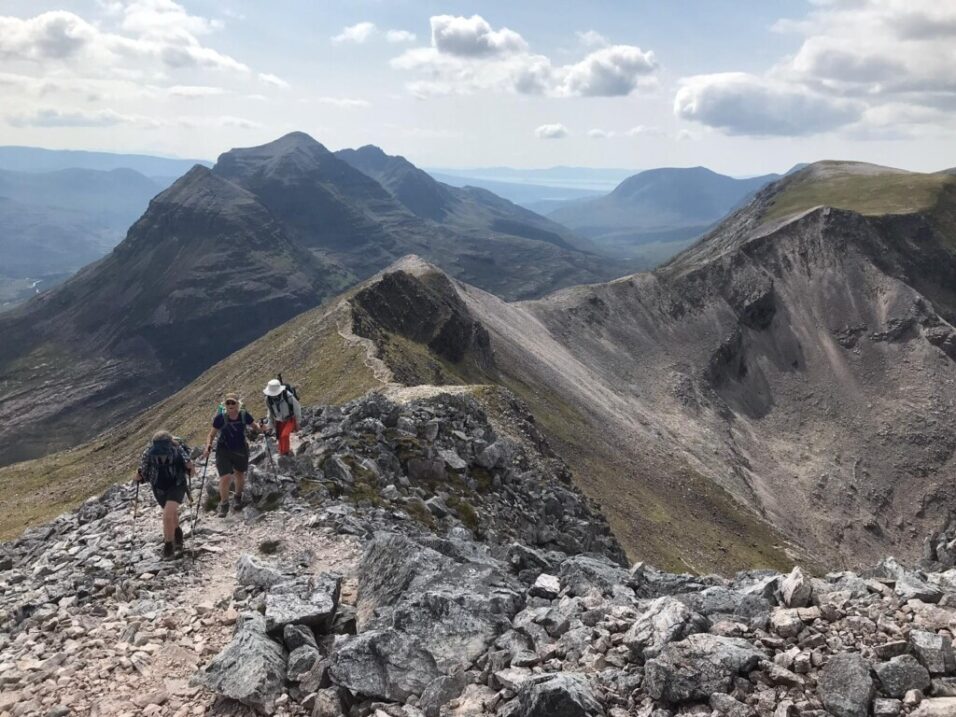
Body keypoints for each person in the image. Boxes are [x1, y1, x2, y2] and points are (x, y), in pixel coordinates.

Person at [202, 393, 262, 517]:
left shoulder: (244, 415)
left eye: (233, 402)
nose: (230, 405)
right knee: (225, 477)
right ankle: (224, 504)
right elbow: (211, 434)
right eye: (228, 403)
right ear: (225, 405)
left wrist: (262, 428)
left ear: (237, 404)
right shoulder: (220, 418)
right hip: (223, 450)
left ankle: (237, 497)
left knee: (239, 474)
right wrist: (208, 445)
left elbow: (255, 426)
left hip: (240, 448)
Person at [137, 430, 193, 559]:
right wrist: (140, 476)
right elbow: (144, 470)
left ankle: (169, 547)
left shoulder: (176, 449)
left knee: (167, 514)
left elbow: (188, 464)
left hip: (176, 485)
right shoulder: (150, 452)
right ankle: (178, 536)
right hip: (160, 487)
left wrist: (140, 477)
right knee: (171, 514)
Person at [263, 378, 302, 456]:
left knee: (284, 436)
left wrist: (298, 422)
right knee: (280, 438)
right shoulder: (268, 399)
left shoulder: (288, 395)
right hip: (279, 421)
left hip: (290, 419)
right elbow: (270, 413)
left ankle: (286, 453)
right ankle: (282, 453)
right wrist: (270, 426)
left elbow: (297, 408)